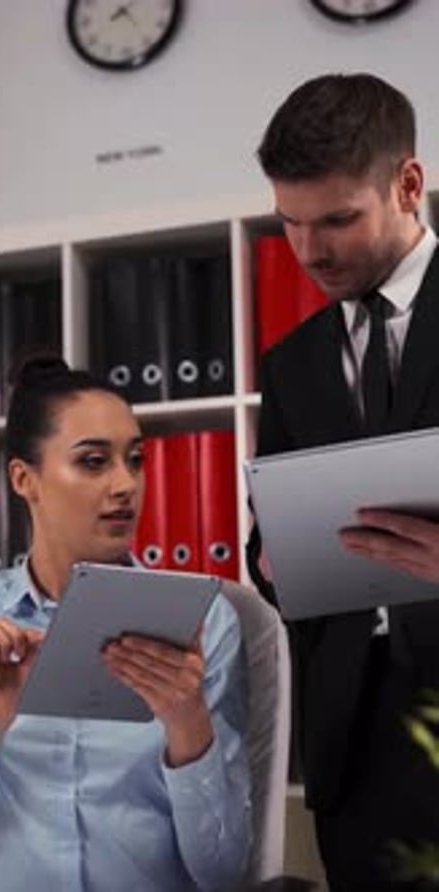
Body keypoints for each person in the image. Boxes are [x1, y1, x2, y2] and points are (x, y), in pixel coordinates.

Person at [0, 356, 251, 892]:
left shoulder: (205, 622)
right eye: (93, 462)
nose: (126, 484)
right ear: (23, 479)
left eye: (136, 460)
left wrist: (187, 723)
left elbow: (223, 873)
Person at [247, 72, 439, 891]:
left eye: (336, 220)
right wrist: (275, 565)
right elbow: (265, 546)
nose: (310, 252)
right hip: (355, 750)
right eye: (289, 224)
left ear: (408, 184)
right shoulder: (289, 366)